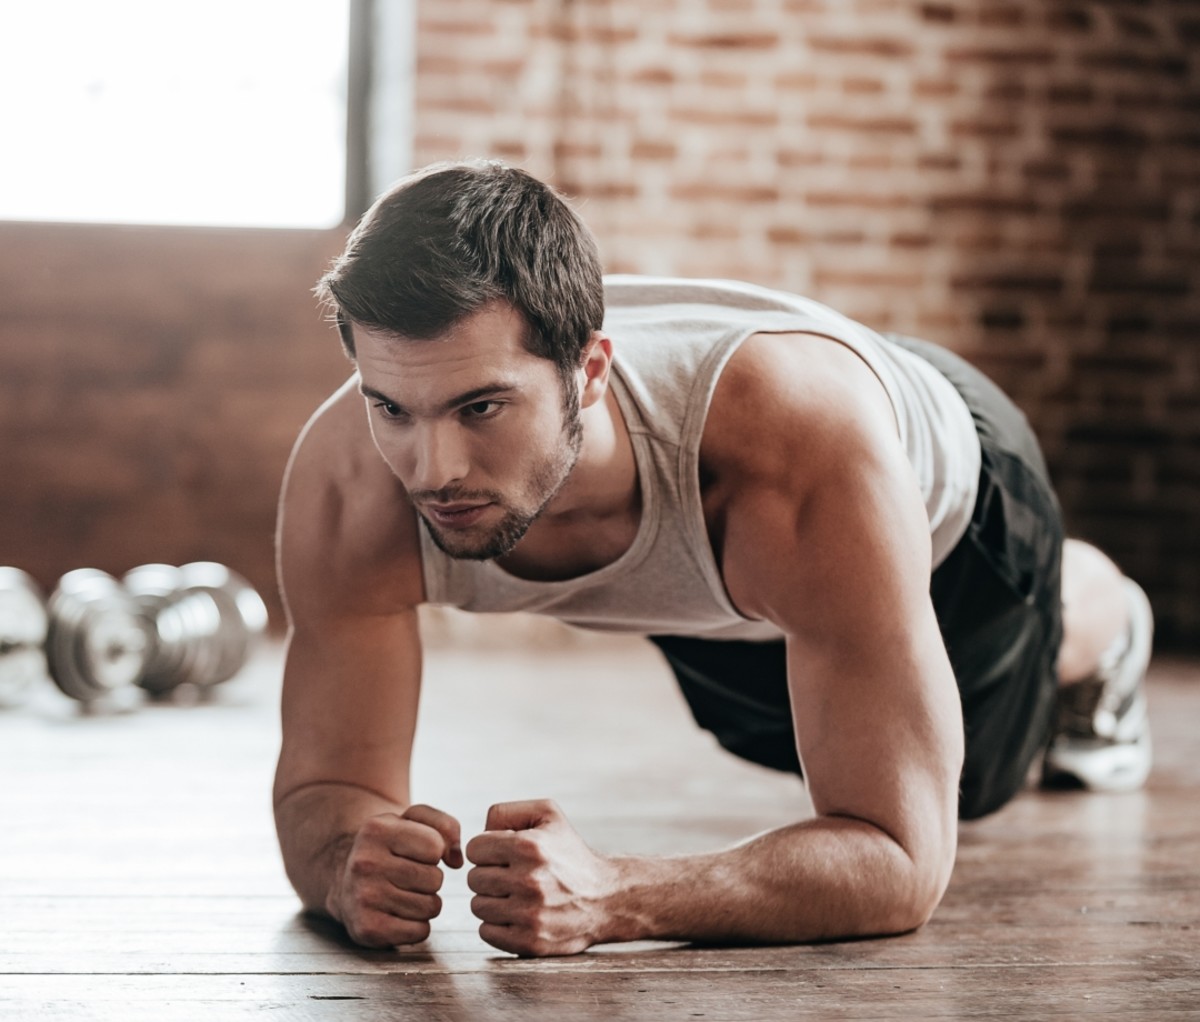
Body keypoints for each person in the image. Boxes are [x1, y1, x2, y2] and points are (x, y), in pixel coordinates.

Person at [273, 159, 1154, 958]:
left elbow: (898, 861)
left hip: (949, 499)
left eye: (481, 410)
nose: (433, 473)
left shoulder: (793, 461)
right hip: (721, 584)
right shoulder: (349, 484)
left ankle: (1106, 618)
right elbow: (328, 785)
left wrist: (617, 895)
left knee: (979, 777)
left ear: (589, 376)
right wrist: (348, 861)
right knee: (767, 733)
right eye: (392, 408)